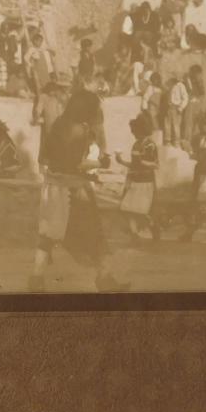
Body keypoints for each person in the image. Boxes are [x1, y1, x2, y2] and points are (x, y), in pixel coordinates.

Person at [30, 90, 127, 293]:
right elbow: (76, 164)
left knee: (48, 234)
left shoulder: (58, 124)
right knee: (95, 234)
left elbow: (46, 158)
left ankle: (36, 278)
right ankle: (104, 277)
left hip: (53, 189)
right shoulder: (79, 130)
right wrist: (100, 162)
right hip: (73, 192)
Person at [116, 112, 160, 241]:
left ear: (142, 130)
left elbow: (156, 165)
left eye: (135, 131)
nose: (133, 134)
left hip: (146, 182)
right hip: (135, 181)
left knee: (140, 211)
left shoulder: (150, 145)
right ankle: (134, 235)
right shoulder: (136, 145)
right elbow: (134, 164)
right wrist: (121, 161)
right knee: (126, 209)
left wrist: (142, 161)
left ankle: (152, 226)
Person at [165, 74, 190, 149]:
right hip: (169, 107)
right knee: (167, 124)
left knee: (176, 126)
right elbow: (168, 95)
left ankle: (177, 142)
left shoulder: (180, 86)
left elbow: (185, 98)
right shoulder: (170, 86)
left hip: (177, 107)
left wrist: (181, 107)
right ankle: (167, 141)